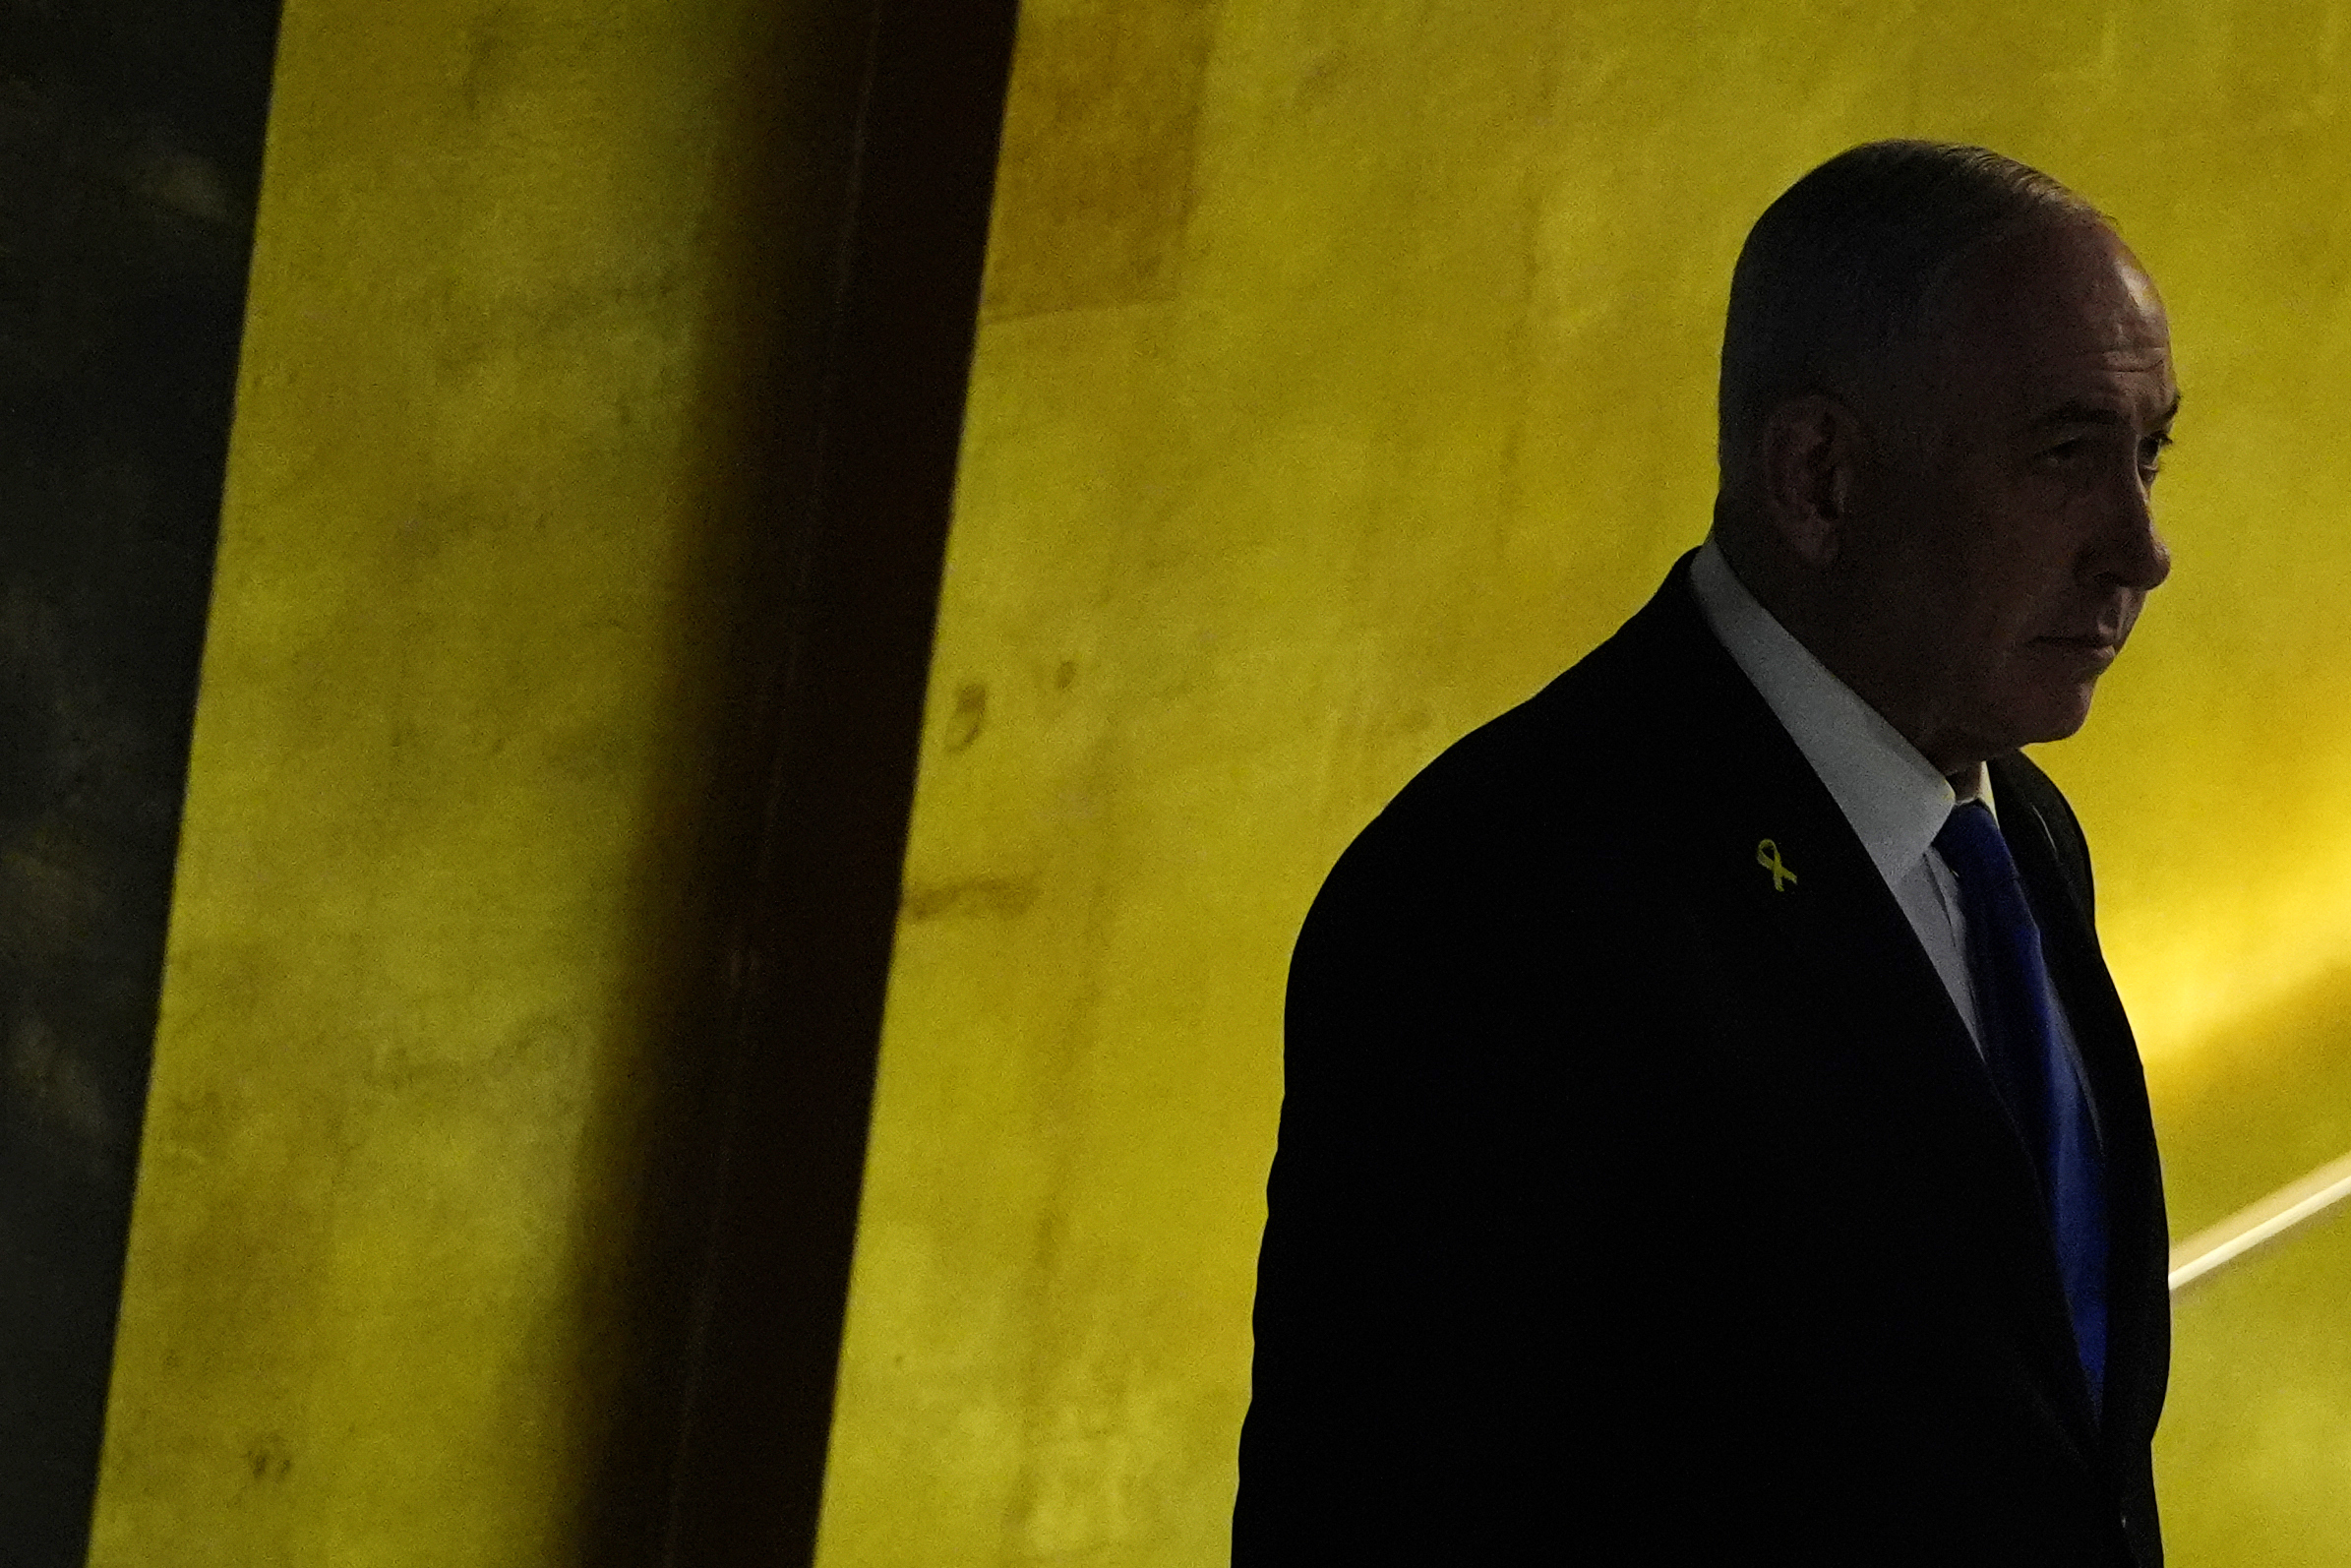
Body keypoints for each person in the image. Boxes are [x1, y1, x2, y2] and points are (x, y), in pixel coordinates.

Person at [1234, 142, 2178, 1566]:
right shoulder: (1500, 898)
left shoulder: (2023, 836)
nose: (2139, 547)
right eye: (2062, 454)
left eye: (2148, 450)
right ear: (1819, 478)